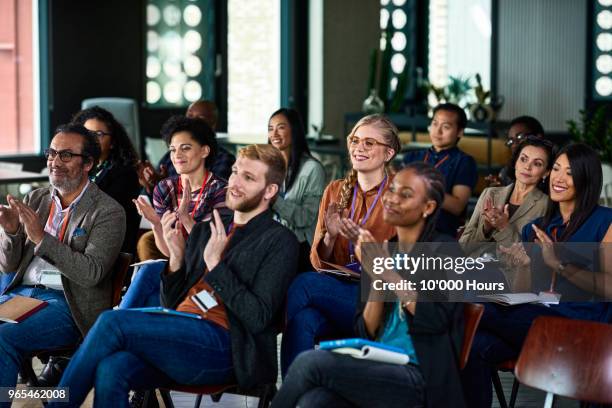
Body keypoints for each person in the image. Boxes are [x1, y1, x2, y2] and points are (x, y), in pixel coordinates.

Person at [52, 145, 299, 407]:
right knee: (112, 368)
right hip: (182, 332)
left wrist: (216, 266)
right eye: (236, 172)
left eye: (248, 178)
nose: (235, 182)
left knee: (111, 322)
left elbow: (258, 316)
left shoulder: (279, 240)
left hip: (226, 347)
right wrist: (177, 260)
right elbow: (171, 304)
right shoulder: (208, 230)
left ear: (270, 191)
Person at [273, 163, 466, 408]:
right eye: (392, 190)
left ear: (428, 207)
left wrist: (388, 274)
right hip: (380, 365)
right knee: (315, 401)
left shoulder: (446, 252)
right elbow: (367, 332)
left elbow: (436, 319)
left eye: (405, 195)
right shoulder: (383, 250)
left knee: (310, 363)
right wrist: (376, 276)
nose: (392, 199)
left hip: (420, 377)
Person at [462, 143, 612, 408]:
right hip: (536, 324)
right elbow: (525, 291)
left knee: (475, 307)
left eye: (570, 172)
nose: (559, 178)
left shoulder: (605, 220)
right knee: (475, 345)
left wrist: (559, 264)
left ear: (587, 179)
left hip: (583, 328)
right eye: (556, 169)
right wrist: (522, 265)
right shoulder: (539, 227)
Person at [0, 124, 125, 399]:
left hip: (67, 304)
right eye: (52, 153)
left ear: (88, 164)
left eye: (66, 155)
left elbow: (92, 273)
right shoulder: (37, 198)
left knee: (3, 340)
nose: (55, 162)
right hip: (20, 294)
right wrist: (10, 233)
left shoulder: (108, 212)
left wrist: (41, 238)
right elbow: (8, 267)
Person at [280, 114, 399, 376]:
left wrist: (368, 252)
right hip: (336, 292)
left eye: (369, 143)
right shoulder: (334, 191)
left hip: (378, 299)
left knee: (303, 284)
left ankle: (267, 376)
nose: (359, 148)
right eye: (355, 140)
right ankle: (297, 395)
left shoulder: (400, 195)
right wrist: (330, 236)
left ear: (388, 153)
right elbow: (316, 261)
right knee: (303, 321)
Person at [134, 115, 230, 262]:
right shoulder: (164, 189)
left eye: (185, 148)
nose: (177, 155)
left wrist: (186, 219)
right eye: (173, 150)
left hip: (207, 269)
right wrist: (156, 224)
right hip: (177, 266)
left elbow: (214, 252)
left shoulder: (221, 191)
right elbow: (168, 252)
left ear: (205, 151)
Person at [460, 137, 553, 251]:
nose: (527, 167)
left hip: (506, 269)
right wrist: (486, 228)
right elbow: (463, 246)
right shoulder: (490, 193)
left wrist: (504, 227)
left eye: (537, 164)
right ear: (515, 162)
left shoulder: (546, 205)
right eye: (523, 159)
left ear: (546, 172)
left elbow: (531, 257)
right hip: (475, 265)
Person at [71, 106, 141, 254]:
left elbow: (102, 212)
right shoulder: (79, 168)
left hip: (106, 247)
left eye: (99, 134)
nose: (92, 139)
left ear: (113, 142)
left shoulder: (125, 174)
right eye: (87, 133)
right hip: (78, 241)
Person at [402, 103, 478, 237]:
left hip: (441, 233)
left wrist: (421, 188)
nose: (438, 131)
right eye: (435, 124)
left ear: (460, 132)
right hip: (406, 228)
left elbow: (457, 206)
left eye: (446, 126)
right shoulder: (411, 157)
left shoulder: (464, 162)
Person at [268, 108, 326, 271]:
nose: (274, 134)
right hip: (272, 242)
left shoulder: (312, 169)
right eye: (270, 128)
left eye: (281, 127)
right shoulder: (268, 166)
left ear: (294, 130)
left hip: (300, 248)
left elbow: (305, 218)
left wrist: (274, 201)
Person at [138, 100, 235, 193]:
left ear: (214, 125)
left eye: (200, 118)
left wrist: (168, 188)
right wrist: (154, 185)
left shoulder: (224, 159)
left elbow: (212, 195)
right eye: (189, 116)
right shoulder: (171, 156)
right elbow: (155, 193)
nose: (192, 121)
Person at [485, 115, 545, 187]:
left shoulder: (554, 169)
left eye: (520, 137)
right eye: (511, 140)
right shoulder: (506, 173)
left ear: (538, 137)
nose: (514, 144)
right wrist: (500, 190)